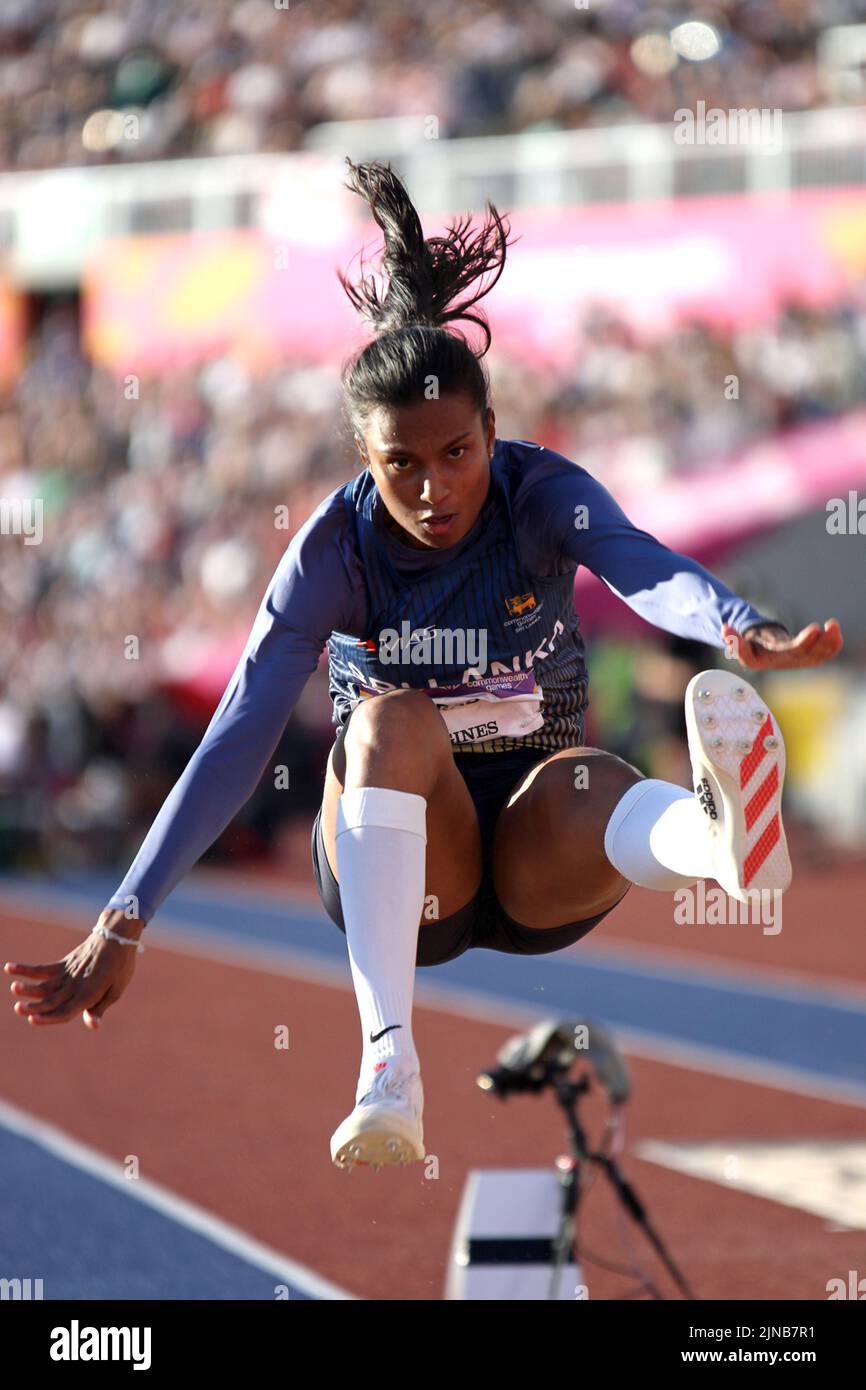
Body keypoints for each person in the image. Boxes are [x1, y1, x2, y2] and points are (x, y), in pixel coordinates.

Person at [4, 160, 844, 1173]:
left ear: (492, 431)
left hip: (538, 855)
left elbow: (637, 565)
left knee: (596, 781)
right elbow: (239, 729)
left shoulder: (539, 494)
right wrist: (124, 914)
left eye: (455, 452)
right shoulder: (334, 548)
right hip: (401, 863)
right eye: (400, 463)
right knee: (388, 721)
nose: (433, 486)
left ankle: (719, 843)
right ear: (365, 459)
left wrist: (732, 622)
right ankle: (386, 1065)